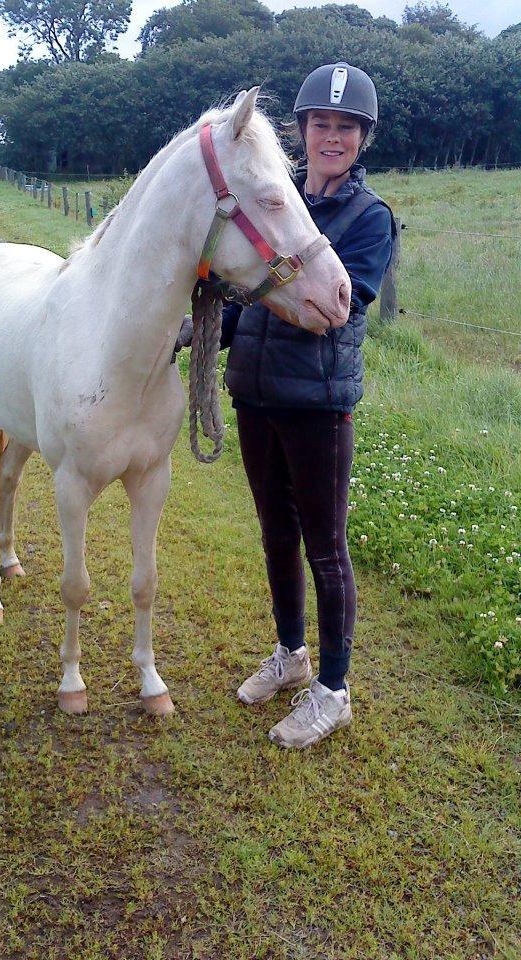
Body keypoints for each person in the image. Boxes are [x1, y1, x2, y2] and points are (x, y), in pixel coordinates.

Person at [186, 63, 394, 748]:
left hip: (318, 404)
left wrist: (265, 270)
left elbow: (342, 302)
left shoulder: (368, 218)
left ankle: (332, 689)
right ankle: (290, 654)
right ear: (303, 132)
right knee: (276, 532)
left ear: (362, 139)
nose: (332, 138)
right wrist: (203, 336)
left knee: (325, 547)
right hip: (256, 392)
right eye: (321, 125)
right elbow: (245, 299)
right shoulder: (280, 201)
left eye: (345, 128)